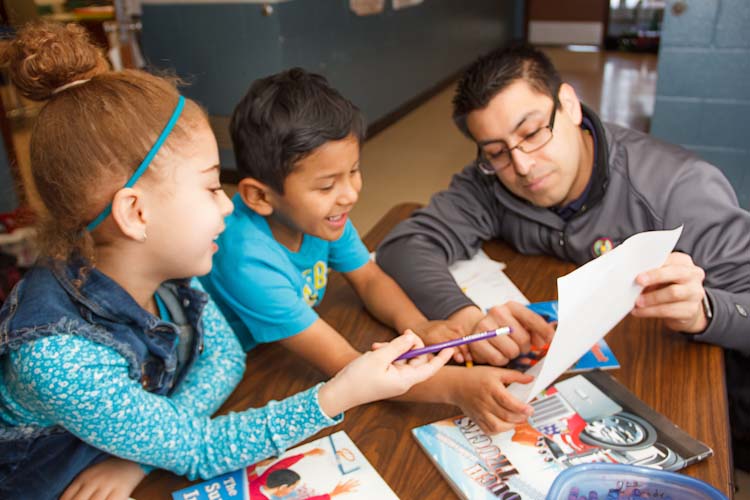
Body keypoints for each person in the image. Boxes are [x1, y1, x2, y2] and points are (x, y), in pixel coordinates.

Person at [0, 22, 452, 500]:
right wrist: (339, 392)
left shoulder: (168, 271)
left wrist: (144, 450)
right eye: (212, 186)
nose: (225, 205)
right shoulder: (57, 356)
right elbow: (201, 450)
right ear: (136, 213)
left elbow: (226, 359)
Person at [375, 44, 750, 468]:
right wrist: (462, 314)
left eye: (533, 133)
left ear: (569, 105)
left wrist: (706, 309)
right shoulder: (490, 182)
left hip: (711, 408)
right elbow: (404, 245)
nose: (522, 165)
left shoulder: (681, 188)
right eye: (496, 152)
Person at [202, 68, 541, 435]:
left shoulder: (321, 217)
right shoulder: (248, 261)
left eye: (354, 171)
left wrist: (419, 326)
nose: (349, 194)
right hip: (233, 374)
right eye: (327, 185)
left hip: (275, 345)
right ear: (261, 196)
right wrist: (456, 388)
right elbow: (347, 366)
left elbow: (369, 277)